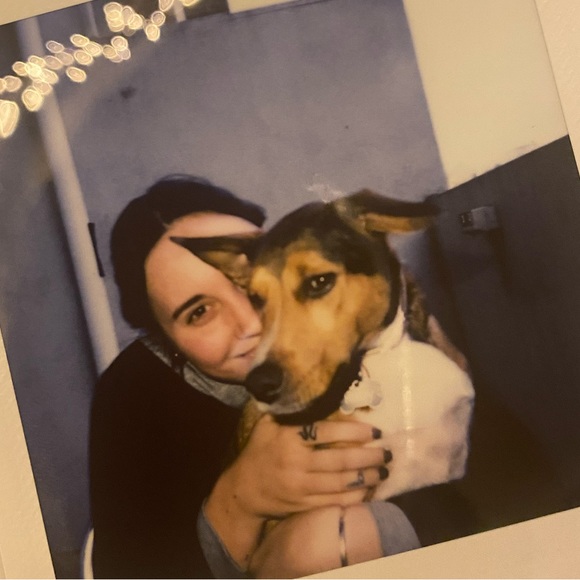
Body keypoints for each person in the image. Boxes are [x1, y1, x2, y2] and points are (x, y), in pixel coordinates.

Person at [89, 175, 421, 579]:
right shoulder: (133, 395)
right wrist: (241, 500)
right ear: (165, 342)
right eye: (199, 312)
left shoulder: (363, 324)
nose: (252, 322)